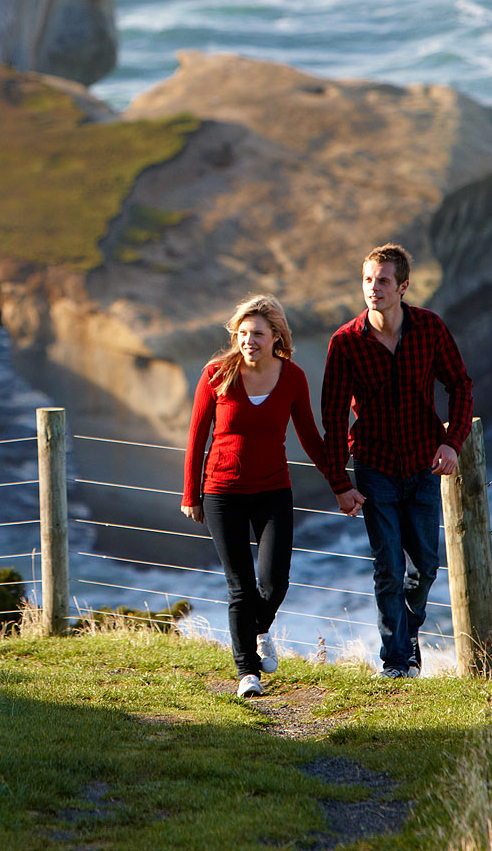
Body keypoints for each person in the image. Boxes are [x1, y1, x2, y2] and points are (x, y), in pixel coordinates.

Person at [319, 243, 472, 679]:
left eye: (383, 281)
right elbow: (331, 417)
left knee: (425, 567)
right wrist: (339, 483)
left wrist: (452, 443)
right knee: (387, 566)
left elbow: (460, 385)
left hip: (424, 465)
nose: (373, 288)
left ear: (403, 287)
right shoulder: (346, 343)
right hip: (374, 467)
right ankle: (397, 661)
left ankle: (408, 632)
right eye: (368, 280)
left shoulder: (429, 329)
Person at [181, 294, 328, 698]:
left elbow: (311, 438)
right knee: (240, 586)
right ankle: (248, 671)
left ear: (275, 336)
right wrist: (189, 494)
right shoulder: (216, 374)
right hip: (222, 493)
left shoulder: (293, 377)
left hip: (273, 491)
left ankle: (259, 629)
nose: (249, 341)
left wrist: (340, 482)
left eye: (258, 334)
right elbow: (196, 437)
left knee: (274, 581)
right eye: (242, 333)